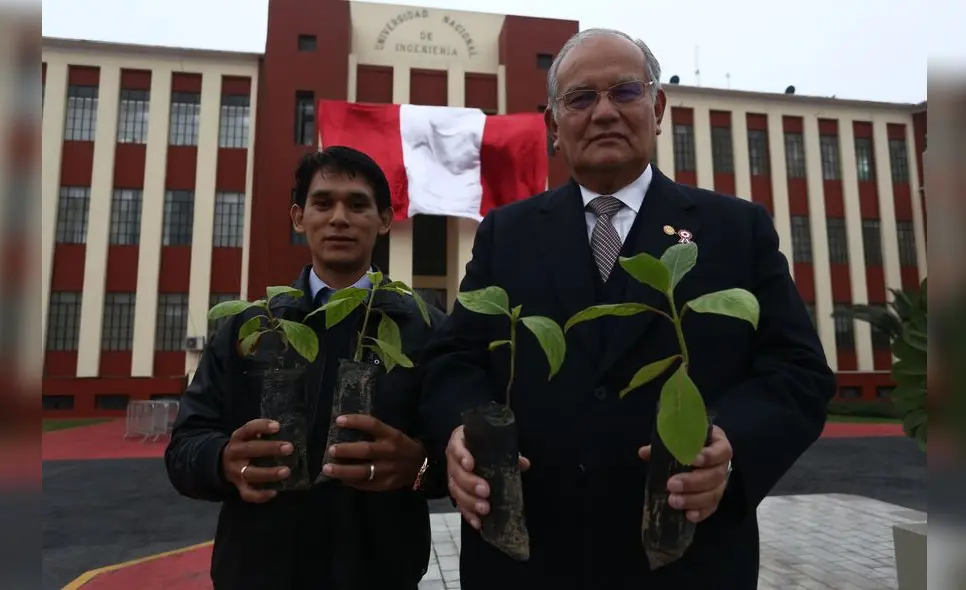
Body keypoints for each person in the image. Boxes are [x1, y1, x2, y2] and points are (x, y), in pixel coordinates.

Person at [418, 28, 836, 589]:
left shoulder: (735, 229)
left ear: (657, 107)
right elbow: (454, 361)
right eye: (581, 98)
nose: (605, 112)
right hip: (525, 559)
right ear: (553, 126)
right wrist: (459, 434)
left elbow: (798, 371)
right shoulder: (506, 234)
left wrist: (731, 452)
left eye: (625, 92)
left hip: (686, 558)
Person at [165, 145, 448, 590]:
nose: (339, 217)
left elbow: (453, 454)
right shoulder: (252, 325)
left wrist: (421, 466)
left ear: (385, 219)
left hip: (379, 572)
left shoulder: (424, 327)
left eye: (357, 204)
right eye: (323, 202)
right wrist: (222, 461)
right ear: (299, 217)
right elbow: (184, 446)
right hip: (258, 572)